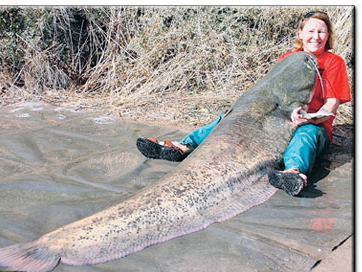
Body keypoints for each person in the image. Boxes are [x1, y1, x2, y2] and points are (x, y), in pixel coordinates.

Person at [136, 11, 351, 196]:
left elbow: (331, 106)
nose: (316, 36)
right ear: (301, 34)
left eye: (321, 31)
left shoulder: (334, 63)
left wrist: (309, 118)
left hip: (313, 123)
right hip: (276, 117)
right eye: (311, 31)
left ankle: (293, 173)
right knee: (229, 119)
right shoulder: (287, 57)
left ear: (328, 35)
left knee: (306, 137)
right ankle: (184, 145)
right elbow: (266, 92)